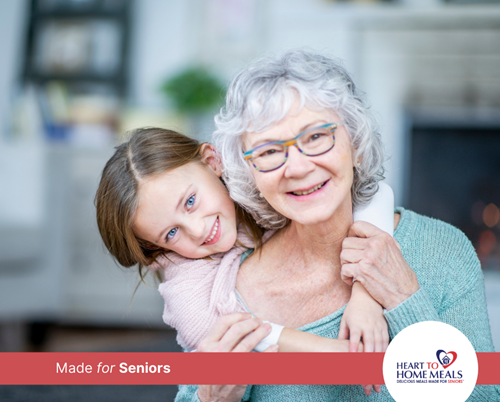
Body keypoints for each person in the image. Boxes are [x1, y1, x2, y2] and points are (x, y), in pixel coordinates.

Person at [176, 49, 499, 401]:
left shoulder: (441, 250)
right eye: (268, 151)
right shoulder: (226, 285)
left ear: (356, 144)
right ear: (250, 174)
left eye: (316, 137)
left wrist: (403, 297)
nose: (297, 168)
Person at [94, 127, 393, 394]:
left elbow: (373, 193)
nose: (198, 230)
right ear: (156, 248)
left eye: (190, 202)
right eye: (171, 233)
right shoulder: (185, 285)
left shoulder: (256, 178)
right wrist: (339, 355)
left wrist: (365, 297)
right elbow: (228, 333)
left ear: (212, 161)